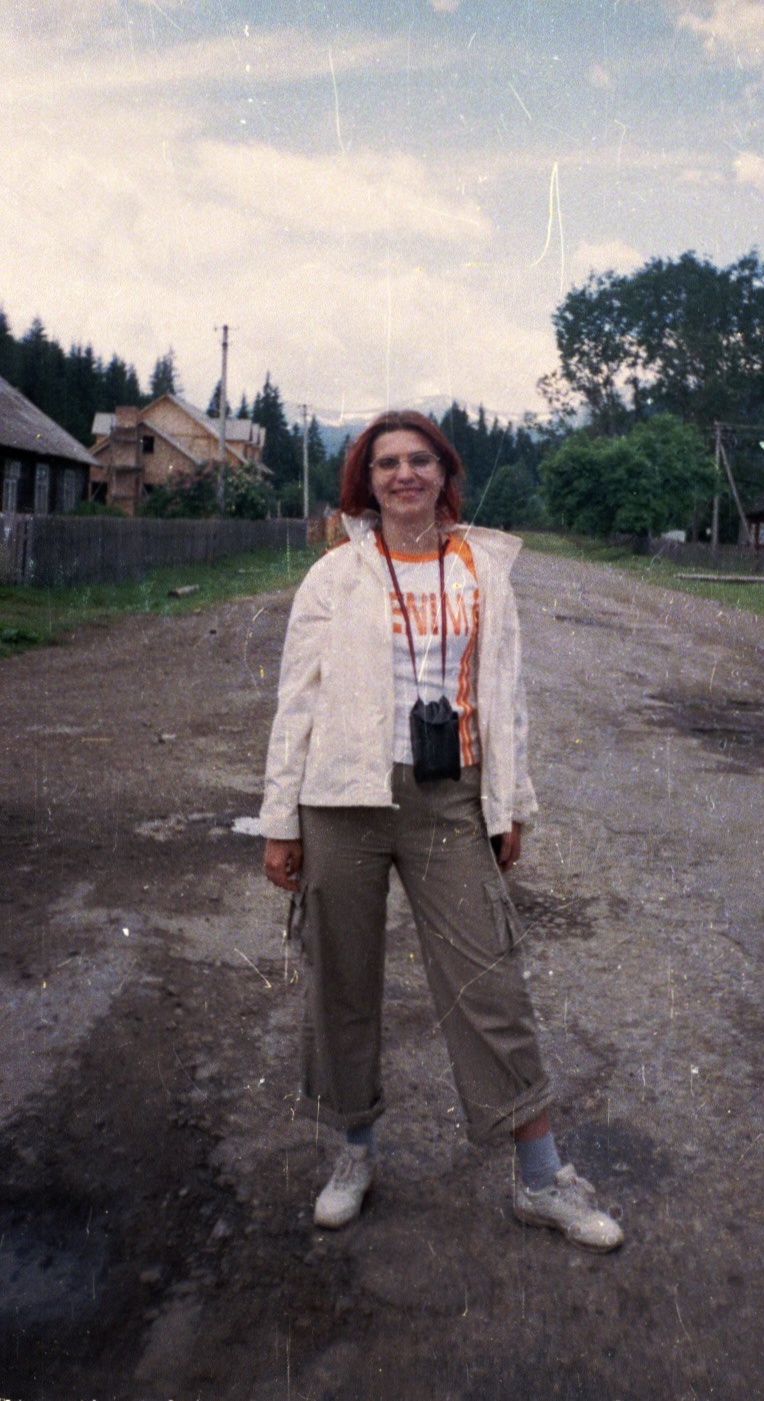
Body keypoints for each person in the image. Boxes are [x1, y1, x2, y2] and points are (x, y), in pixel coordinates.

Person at [259, 410, 622, 1251]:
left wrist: (510, 804)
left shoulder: (482, 570)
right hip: (341, 799)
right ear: (367, 480)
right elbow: (296, 703)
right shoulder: (334, 577)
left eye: (419, 459)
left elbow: (510, 697)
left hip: (447, 794)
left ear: (443, 472)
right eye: (386, 463)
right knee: (342, 978)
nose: (404, 475)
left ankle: (542, 1178)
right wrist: (282, 821)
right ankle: (353, 1153)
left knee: (490, 982)